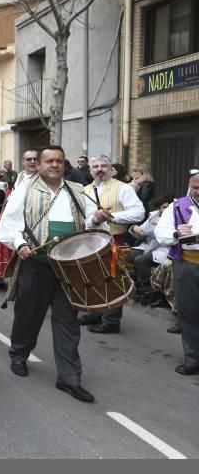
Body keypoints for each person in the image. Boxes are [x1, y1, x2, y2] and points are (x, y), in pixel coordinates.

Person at [0, 145, 102, 402]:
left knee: (68, 321)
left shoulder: (78, 191)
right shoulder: (25, 189)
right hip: (36, 264)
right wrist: (19, 244)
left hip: (69, 268)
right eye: (49, 161)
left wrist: (97, 219)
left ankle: (69, 378)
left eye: (59, 161)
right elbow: (7, 227)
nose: (54, 165)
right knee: (28, 315)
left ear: (65, 165)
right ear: (40, 165)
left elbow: (89, 223)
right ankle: (19, 354)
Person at [79, 155, 145, 334]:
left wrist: (112, 216)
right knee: (92, 279)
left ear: (111, 169)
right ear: (90, 170)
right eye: (95, 166)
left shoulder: (123, 188)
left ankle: (111, 321)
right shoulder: (84, 190)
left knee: (113, 281)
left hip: (114, 240)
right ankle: (95, 312)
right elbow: (82, 218)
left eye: (103, 166)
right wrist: (94, 219)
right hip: (91, 240)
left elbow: (139, 212)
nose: (99, 169)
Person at [155, 169, 199, 375]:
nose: (198, 191)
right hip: (188, 264)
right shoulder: (177, 206)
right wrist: (175, 233)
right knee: (189, 314)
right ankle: (193, 360)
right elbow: (161, 232)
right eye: (196, 187)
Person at [129, 196, 171, 306]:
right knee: (126, 255)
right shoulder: (154, 215)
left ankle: (149, 288)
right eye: (161, 207)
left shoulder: (175, 217)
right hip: (149, 245)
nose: (163, 210)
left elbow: (163, 237)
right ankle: (133, 284)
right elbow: (142, 231)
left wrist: (160, 225)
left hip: (164, 249)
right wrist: (134, 228)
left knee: (140, 260)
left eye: (166, 207)